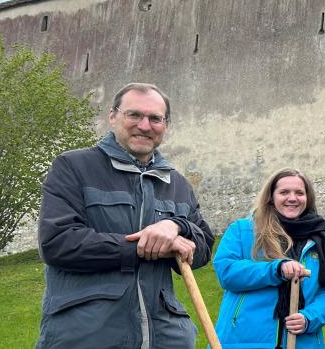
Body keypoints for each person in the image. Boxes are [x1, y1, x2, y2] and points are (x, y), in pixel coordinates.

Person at [36, 82, 214, 349]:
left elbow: (203, 248)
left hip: (166, 339)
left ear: (165, 125)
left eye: (155, 118)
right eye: (134, 115)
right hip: (87, 337)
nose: (145, 125)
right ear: (112, 116)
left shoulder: (176, 183)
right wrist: (144, 246)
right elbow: (58, 243)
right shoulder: (73, 167)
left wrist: (176, 226)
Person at [212, 168, 325, 348]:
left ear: (308, 198)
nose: (292, 198)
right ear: (271, 196)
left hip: (302, 342)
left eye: (299, 193)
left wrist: (309, 318)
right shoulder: (243, 230)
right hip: (243, 339)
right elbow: (227, 272)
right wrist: (275, 269)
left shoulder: (323, 241)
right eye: (284, 192)